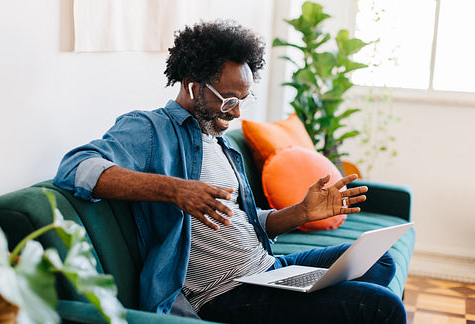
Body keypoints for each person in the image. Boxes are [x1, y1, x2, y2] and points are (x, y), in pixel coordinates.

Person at [54, 20, 407, 323]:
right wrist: (175, 190)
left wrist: (302, 212)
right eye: (228, 99)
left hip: (267, 269)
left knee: (380, 261)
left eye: (242, 99)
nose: (236, 113)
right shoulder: (150, 129)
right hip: (224, 293)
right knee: (381, 307)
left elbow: (247, 221)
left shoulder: (221, 143)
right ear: (193, 85)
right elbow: (76, 167)